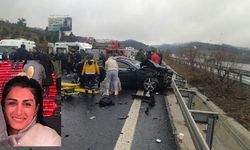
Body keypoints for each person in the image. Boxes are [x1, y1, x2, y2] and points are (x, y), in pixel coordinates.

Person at [0, 76, 61, 146]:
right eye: (12, 103)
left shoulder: (50, 140)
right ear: (3, 106)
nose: (19, 112)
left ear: (36, 109)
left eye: (27, 104)